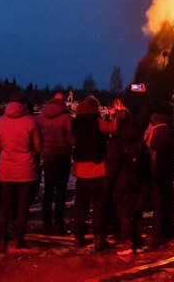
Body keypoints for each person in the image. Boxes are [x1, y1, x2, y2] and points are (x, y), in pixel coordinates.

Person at [0, 93, 41, 252]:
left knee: (4, 205)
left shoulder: (0, 121)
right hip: (26, 169)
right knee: (22, 205)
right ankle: (19, 238)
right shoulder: (31, 121)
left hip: (6, 169)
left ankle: (1, 239)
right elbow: (38, 146)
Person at [105, 100, 151, 255]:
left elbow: (112, 164)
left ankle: (126, 244)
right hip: (139, 179)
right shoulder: (138, 136)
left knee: (124, 213)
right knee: (137, 212)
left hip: (122, 179)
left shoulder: (116, 139)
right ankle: (138, 244)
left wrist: (107, 185)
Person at [72, 95, 109, 251]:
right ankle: (99, 237)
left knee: (80, 205)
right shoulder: (97, 122)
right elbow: (112, 128)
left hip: (80, 169)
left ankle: (78, 237)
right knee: (97, 206)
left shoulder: (75, 123)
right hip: (97, 167)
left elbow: (73, 141)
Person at [36, 93, 74, 235]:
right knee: (61, 192)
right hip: (62, 157)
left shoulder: (40, 118)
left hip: (47, 157)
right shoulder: (66, 119)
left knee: (48, 190)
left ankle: (46, 224)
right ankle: (58, 225)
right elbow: (72, 140)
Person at [145, 101, 174, 245]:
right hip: (161, 171)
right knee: (162, 202)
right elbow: (162, 154)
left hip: (153, 169)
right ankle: (158, 233)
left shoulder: (152, 126)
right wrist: (166, 172)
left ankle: (165, 229)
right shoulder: (163, 130)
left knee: (161, 201)